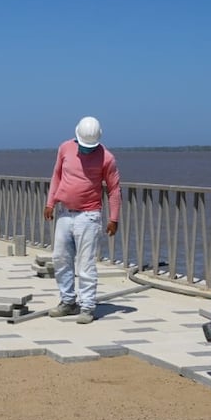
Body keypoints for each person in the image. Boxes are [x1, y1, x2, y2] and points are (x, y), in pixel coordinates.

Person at [43, 116, 121, 324]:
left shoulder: (107, 158)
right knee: (60, 258)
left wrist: (114, 218)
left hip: (89, 215)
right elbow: (56, 176)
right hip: (65, 213)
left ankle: (87, 306)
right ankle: (68, 301)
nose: (87, 150)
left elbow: (114, 190)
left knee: (85, 264)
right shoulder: (65, 148)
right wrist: (50, 202)